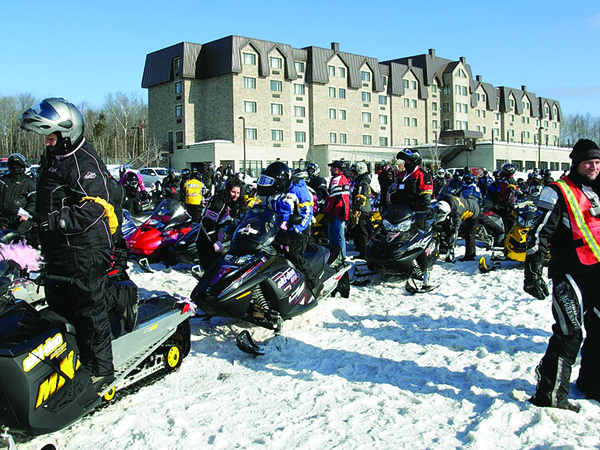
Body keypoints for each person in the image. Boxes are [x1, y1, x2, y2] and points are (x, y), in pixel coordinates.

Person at [20, 97, 136, 386]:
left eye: (50, 136)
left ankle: (100, 370)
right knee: (60, 303)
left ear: (67, 132)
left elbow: (95, 206)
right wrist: (34, 225)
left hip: (85, 249)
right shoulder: (55, 158)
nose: (46, 142)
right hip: (60, 249)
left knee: (88, 310)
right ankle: (71, 360)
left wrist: (57, 220)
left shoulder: (84, 161)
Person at [525, 139, 600, 412]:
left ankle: (592, 384)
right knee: (569, 335)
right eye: (588, 162)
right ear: (576, 163)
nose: (593, 167)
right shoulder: (556, 191)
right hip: (570, 275)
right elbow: (537, 233)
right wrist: (532, 272)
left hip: (598, 274)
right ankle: (550, 394)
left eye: (597, 162)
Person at [259, 162, 319, 292]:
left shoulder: (298, 189)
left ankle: (314, 285)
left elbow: (307, 213)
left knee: (293, 255)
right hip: (278, 230)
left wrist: (297, 228)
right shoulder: (275, 191)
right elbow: (266, 210)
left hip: (298, 230)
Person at [196, 177, 247, 271]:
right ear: (228, 191)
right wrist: (215, 241)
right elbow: (207, 223)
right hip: (207, 242)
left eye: (238, 193)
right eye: (233, 192)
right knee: (211, 272)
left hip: (223, 242)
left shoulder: (237, 204)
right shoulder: (218, 202)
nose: (235, 195)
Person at [387, 148, 433, 229]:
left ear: (415, 160)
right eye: (405, 161)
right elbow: (393, 189)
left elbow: (426, 193)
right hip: (400, 210)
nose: (406, 163)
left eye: (408, 161)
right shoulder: (401, 175)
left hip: (415, 212)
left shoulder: (422, 174)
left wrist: (424, 209)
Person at [434, 193, 481, 262]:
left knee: (469, 233)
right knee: (446, 226)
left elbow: (455, 228)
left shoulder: (457, 213)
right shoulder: (444, 200)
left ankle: (470, 256)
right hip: (467, 204)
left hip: (473, 211)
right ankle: (443, 246)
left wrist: (452, 236)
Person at [0, 153, 37, 236]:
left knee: (19, 243)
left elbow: (34, 200)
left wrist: (28, 213)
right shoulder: (3, 180)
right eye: (13, 165)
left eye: (17, 165)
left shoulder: (28, 182)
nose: (15, 168)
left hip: (20, 220)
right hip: (3, 219)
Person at [323, 160, 350, 259]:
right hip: (341, 211)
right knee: (340, 236)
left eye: (332, 168)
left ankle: (337, 257)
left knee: (335, 237)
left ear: (336, 169)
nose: (330, 170)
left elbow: (333, 198)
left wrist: (327, 211)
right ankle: (341, 256)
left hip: (336, 212)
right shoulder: (343, 178)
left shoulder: (337, 179)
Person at [348, 162, 373, 260]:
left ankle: (364, 253)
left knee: (363, 232)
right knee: (357, 231)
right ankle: (360, 251)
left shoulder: (363, 181)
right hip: (360, 209)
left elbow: (361, 196)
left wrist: (357, 208)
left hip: (362, 211)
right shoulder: (360, 180)